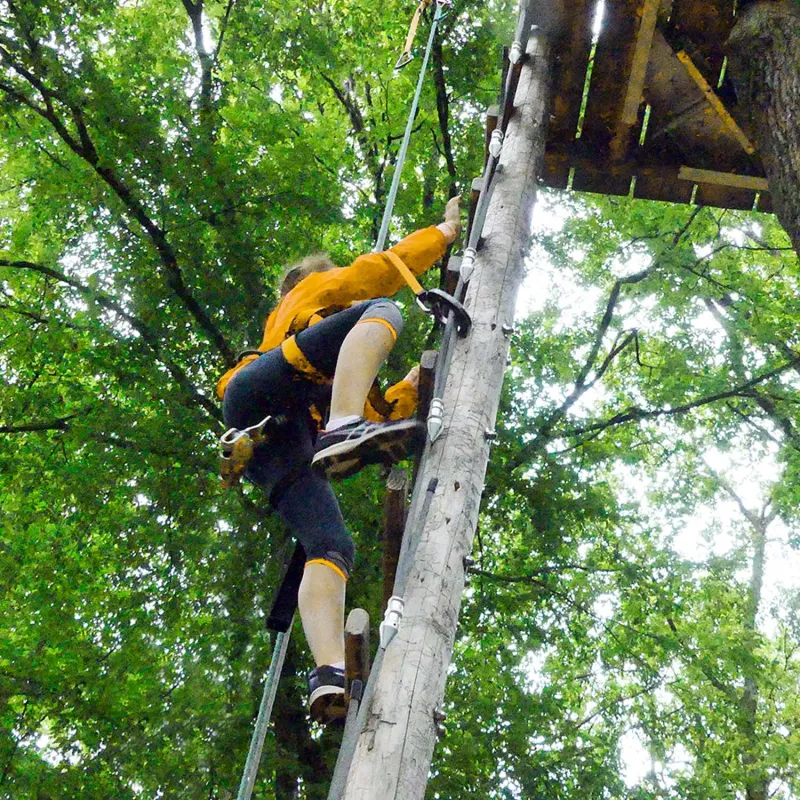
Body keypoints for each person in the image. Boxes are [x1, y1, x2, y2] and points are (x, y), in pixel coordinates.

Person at [216, 198, 462, 723]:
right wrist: (443, 232)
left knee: (330, 544)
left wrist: (412, 388)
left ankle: (328, 671)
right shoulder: (305, 293)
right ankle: (342, 429)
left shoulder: (329, 356)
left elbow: (377, 405)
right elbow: (377, 273)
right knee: (383, 310)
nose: (337, 281)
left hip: (272, 438)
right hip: (260, 397)